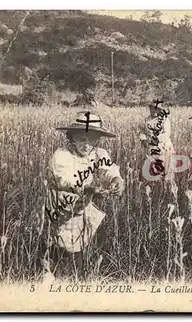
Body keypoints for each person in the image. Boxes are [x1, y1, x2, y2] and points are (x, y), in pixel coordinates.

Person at [41, 111, 125, 281]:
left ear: (97, 140)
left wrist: (116, 179)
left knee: (77, 242)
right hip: (61, 205)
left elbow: (109, 169)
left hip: (81, 206)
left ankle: (74, 276)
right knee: (56, 240)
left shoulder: (98, 154)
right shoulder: (62, 155)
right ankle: (48, 272)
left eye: (92, 140)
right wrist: (87, 188)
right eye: (82, 139)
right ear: (72, 138)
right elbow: (63, 179)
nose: (86, 145)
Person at [139, 99, 175, 182]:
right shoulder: (147, 119)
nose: (154, 111)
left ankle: (167, 189)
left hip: (164, 147)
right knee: (154, 169)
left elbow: (166, 134)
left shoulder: (164, 119)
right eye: (153, 108)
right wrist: (143, 139)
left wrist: (153, 139)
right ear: (150, 108)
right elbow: (145, 132)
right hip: (152, 148)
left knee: (167, 170)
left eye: (157, 109)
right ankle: (157, 187)